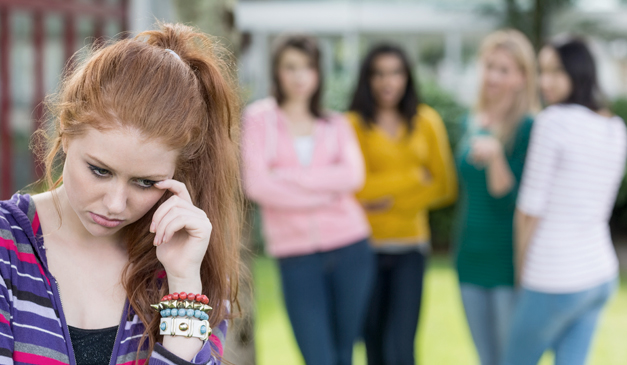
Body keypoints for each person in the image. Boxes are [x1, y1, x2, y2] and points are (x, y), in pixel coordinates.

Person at [0, 23, 241, 364]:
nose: (115, 204)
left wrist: (184, 284)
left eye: (145, 183)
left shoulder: (189, 269)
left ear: (176, 175)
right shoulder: (6, 244)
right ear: (66, 133)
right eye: (99, 170)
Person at [241, 35, 374, 365]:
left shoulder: (336, 123)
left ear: (319, 73)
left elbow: (353, 177)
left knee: (345, 353)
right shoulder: (258, 120)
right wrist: (326, 190)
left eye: (308, 67)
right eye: (291, 67)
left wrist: (288, 177)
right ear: (277, 72)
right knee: (319, 358)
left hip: (351, 247)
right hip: (296, 256)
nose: (300, 76)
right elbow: (257, 185)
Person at [502, 37, 627, 365]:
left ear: (579, 71)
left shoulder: (552, 121)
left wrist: (519, 273)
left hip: (554, 275)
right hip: (599, 273)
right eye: (542, 71)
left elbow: (529, 210)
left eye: (556, 71)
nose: (545, 81)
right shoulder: (614, 126)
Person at [347, 44, 457, 365]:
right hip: (365, 249)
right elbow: (354, 188)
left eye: (396, 72)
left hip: (410, 248)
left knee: (401, 347)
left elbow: (445, 187)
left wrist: (386, 199)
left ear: (407, 77)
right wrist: (412, 177)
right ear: (367, 79)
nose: (387, 82)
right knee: (374, 346)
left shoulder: (427, 121)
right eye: (379, 74)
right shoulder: (352, 124)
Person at [452, 29, 539, 365]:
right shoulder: (470, 121)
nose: (493, 77)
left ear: (521, 77)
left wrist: (497, 156)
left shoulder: (530, 127)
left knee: (513, 359)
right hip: (469, 258)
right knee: (486, 359)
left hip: (507, 262)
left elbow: (515, 203)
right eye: (489, 66)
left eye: (504, 69)